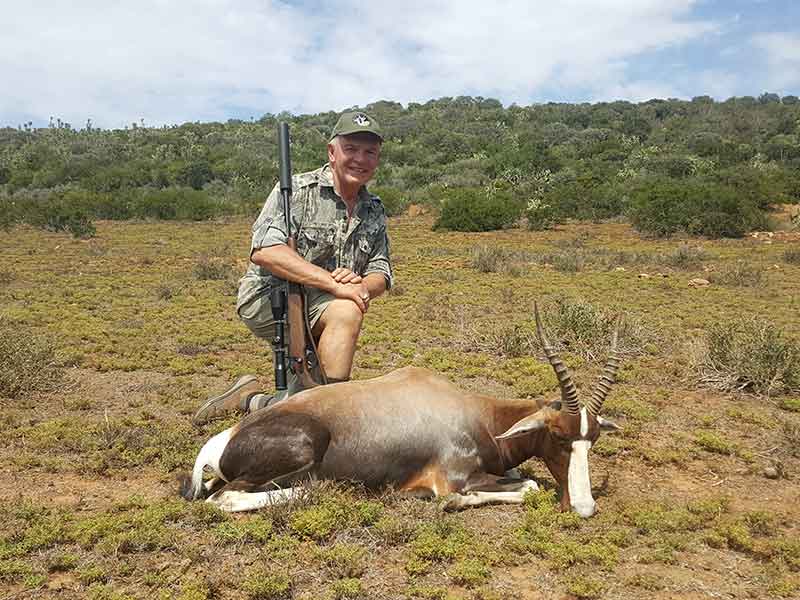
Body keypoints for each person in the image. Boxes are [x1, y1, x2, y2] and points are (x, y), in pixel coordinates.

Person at [192, 110, 392, 425]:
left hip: (324, 304)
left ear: (377, 159)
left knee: (307, 396)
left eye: (370, 152)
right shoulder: (297, 190)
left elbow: (382, 271)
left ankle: (250, 400)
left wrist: (363, 285)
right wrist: (333, 283)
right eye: (351, 149)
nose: (360, 159)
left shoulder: (375, 209)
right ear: (332, 151)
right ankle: (328, 422)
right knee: (346, 311)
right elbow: (266, 252)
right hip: (270, 300)